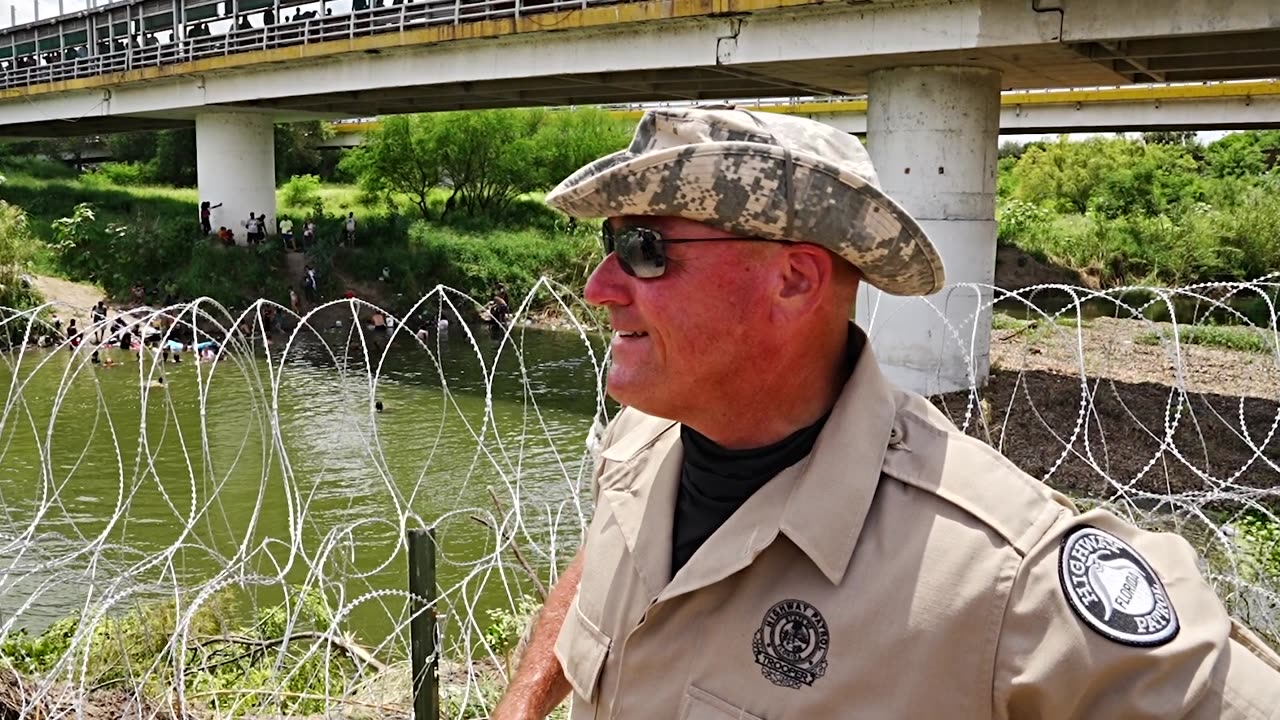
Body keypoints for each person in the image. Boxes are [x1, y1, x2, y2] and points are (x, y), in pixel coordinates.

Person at [491, 106, 1280, 720]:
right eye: (610, 241)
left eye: (645, 250)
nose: (598, 287)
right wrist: (523, 703)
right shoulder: (646, 441)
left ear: (796, 281)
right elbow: (609, 559)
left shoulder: (1000, 574)